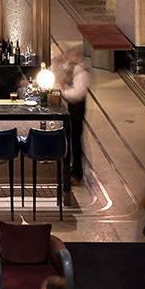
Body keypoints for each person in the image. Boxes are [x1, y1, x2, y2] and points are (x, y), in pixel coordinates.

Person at [51, 41, 91, 183]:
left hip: (76, 111)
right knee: (66, 139)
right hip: (67, 108)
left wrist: (62, 90)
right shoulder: (67, 66)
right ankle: (65, 169)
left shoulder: (82, 72)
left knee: (75, 141)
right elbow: (54, 71)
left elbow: (77, 94)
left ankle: (77, 173)